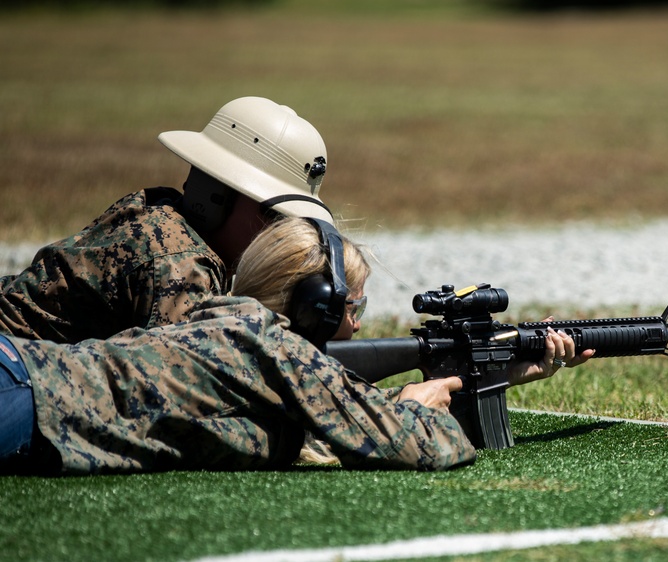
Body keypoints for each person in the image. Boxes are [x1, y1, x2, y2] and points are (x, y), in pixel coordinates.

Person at [0, 217, 584, 475]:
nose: (358, 326)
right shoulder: (269, 344)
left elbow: (312, 423)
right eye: (353, 308)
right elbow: (426, 446)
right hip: (22, 395)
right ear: (315, 307)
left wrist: (495, 370)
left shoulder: (226, 321)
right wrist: (414, 405)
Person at [0, 96, 335, 344]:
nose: (283, 233)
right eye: (274, 215)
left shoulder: (159, 210)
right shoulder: (181, 265)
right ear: (215, 196)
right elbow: (186, 385)